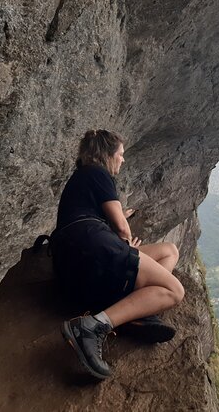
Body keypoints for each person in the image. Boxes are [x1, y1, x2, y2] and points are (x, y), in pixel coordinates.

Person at [52, 129, 185, 379]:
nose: (123, 160)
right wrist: (126, 246)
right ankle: (91, 327)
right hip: (93, 249)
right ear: (107, 155)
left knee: (169, 250)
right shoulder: (97, 173)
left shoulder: (80, 179)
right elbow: (121, 227)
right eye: (120, 154)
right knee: (175, 291)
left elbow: (101, 217)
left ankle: (137, 307)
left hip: (78, 257)